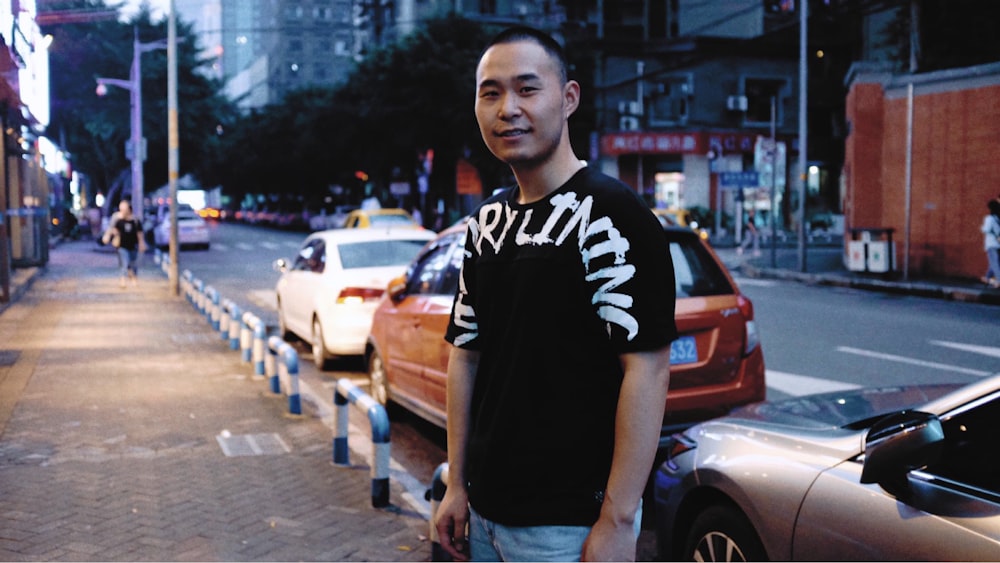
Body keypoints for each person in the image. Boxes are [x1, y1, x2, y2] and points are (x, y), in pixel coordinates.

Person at [434, 26, 677, 562]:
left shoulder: (615, 213)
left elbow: (649, 369)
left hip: (567, 528)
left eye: (527, 89)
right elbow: (466, 357)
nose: (507, 109)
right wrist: (456, 484)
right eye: (490, 92)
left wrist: (617, 519)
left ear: (568, 99)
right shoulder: (486, 223)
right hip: (484, 515)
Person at [104, 200, 146, 288]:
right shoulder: (118, 219)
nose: (122, 211)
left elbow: (139, 233)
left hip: (133, 245)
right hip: (121, 245)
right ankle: (123, 280)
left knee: (133, 263)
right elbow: (111, 228)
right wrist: (108, 235)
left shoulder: (135, 220)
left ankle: (134, 278)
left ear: (129, 209)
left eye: (124, 209)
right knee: (124, 263)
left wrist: (142, 243)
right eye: (121, 209)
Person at [980, 199, 1000, 288]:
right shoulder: (997, 218)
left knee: (994, 263)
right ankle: (986, 278)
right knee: (994, 262)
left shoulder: (989, 218)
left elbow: (986, 229)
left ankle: (999, 281)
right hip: (998, 243)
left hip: (991, 243)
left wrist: (982, 228)